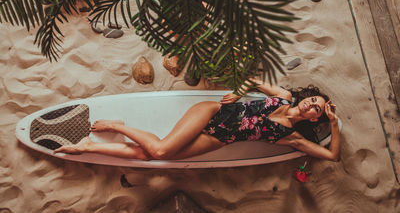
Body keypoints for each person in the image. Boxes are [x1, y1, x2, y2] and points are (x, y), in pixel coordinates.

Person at [54, 79, 340, 161]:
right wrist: (239, 92)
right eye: (314, 99)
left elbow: (332, 155)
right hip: (212, 112)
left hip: (218, 139)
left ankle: (85, 147)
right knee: (161, 150)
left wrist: (334, 124)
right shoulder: (285, 96)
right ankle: (116, 126)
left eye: (317, 110)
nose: (312, 105)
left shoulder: (293, 137)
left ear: (315, 119)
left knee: (152, 155)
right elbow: (254, 79)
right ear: (307, 97)